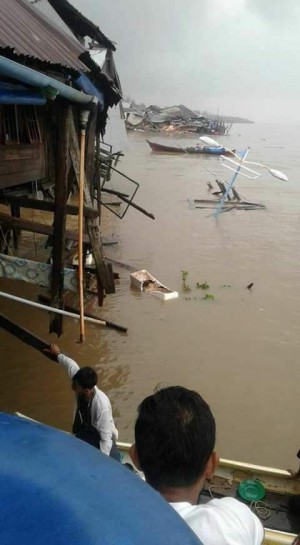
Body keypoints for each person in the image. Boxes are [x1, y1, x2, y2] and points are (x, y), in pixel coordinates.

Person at [130, 386, 264, 545]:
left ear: (135, 456)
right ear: (212, 465)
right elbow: (258, 532)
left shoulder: (111, 513)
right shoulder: (233, 521)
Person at [46, 343, 120, 460]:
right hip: (86, 430)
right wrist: (58, 354)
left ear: (86, 390)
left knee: (113, 464)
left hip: (101, 436)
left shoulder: (101, 405)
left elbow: (105, 439)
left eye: (76, 386)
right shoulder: (79, 379)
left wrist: (101, 462)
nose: (73, 386)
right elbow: (70, 364)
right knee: (75, 453)